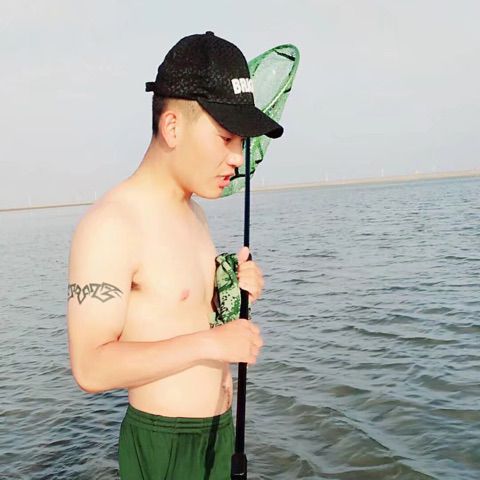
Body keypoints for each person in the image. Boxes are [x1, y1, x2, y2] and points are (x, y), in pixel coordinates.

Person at [67, 31, 283, 479]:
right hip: (165, 446)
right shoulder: (111, 224)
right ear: (172, 127)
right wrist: (212, 343)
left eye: (241, 142)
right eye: (225, 137)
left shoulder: (195, 213)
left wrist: (230, 292)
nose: (237, 158)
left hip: (221, 435)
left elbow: (182, 315)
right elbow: (90, 367)